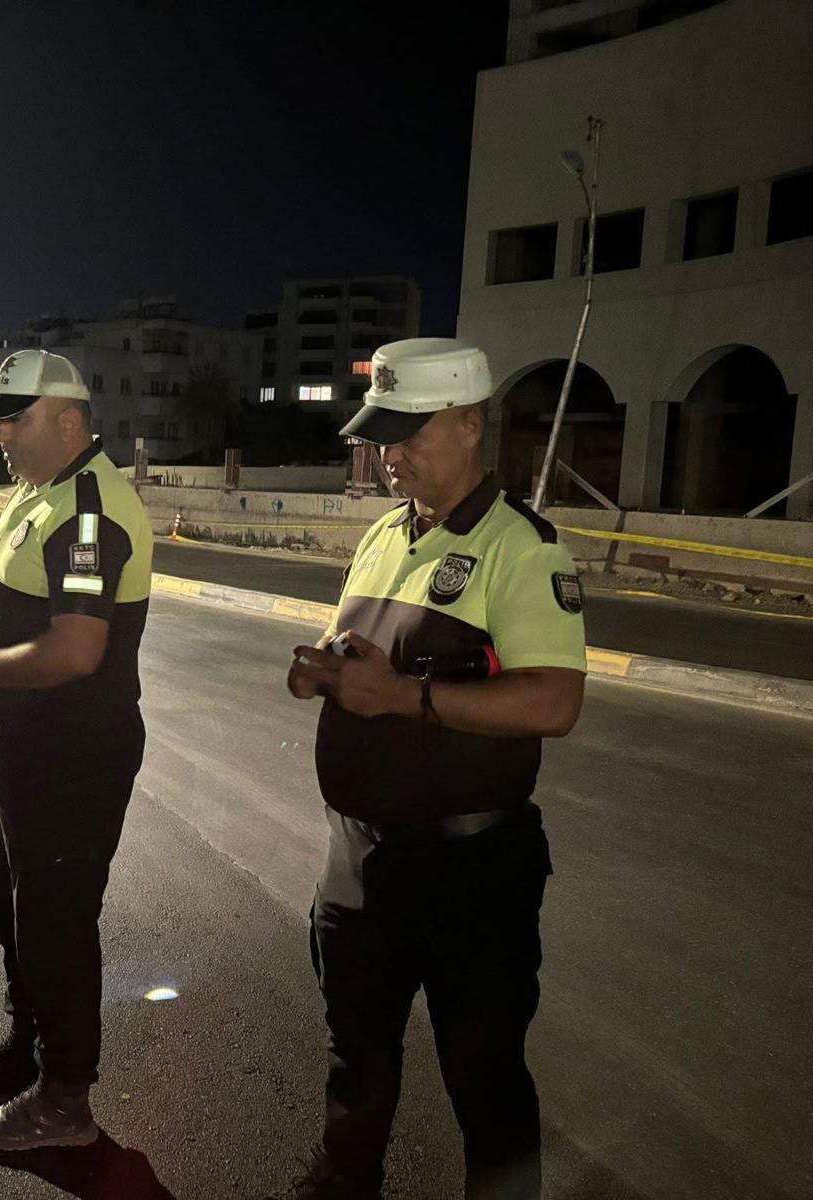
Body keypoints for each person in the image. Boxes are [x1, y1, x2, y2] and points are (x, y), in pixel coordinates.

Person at [279, 338, 588, 1200]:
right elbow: (362, 654)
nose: (391, 454)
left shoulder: (522, 548)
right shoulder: (384, 533)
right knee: (357, 1052)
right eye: (383, 434)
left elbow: (554, 701)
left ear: (469, 426)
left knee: (483, 1076)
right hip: (361, 857)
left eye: (410, 433)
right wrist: (324, 673)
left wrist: (404, 698)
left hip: (469, 872)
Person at [0, 349, 154, 1152]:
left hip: (72, 754)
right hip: (26, 745)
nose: (1, 435)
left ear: (69, 421)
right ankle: (28, 1045)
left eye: (15, 419)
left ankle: (64, 1103)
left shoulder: (89, 509)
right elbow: (15, 603)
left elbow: (77, 649)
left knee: (56, 922)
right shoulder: (40, 492)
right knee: (13, 903)